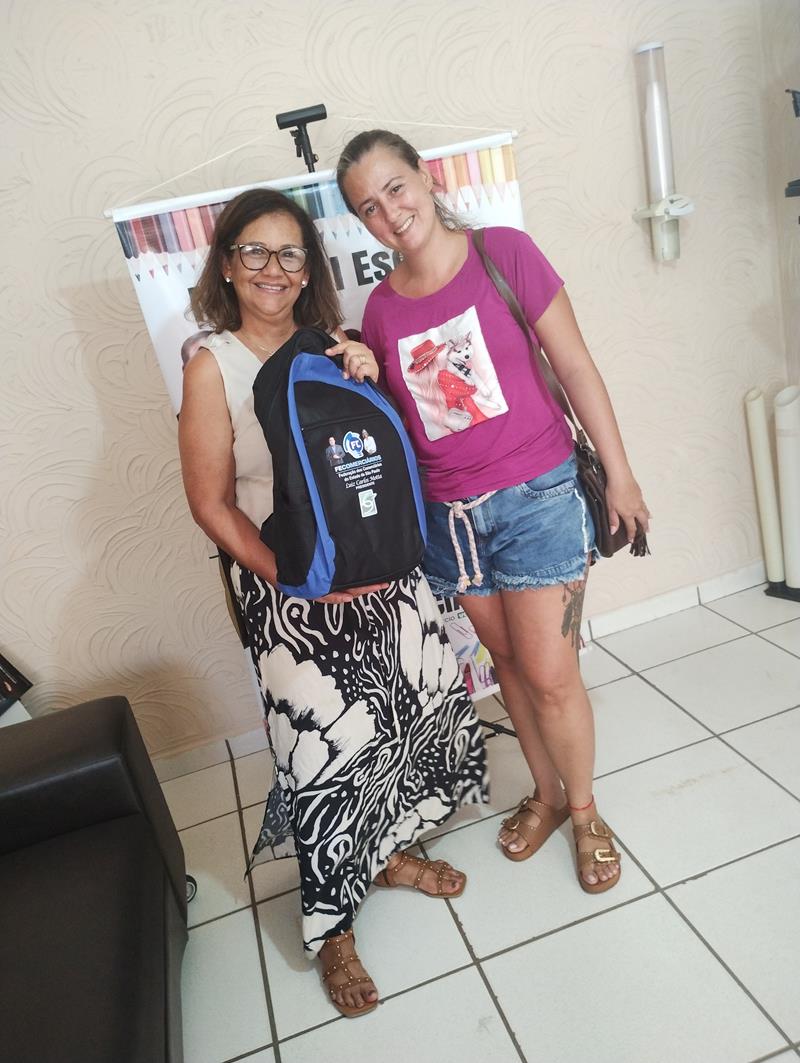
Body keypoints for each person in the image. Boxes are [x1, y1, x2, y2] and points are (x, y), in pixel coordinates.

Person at [178, 187, 487, 1018]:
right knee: (323, 756)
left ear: (309, 267)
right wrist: (293, 577)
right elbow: (211, 503)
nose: (273, 269)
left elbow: (378, 461)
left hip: (384, 578)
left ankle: (386, 855)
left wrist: (370, 380)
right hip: (294, 594)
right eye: (254, 251)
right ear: (227, 264)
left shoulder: (335, 344)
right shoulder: (214, 365)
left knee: (402, 724)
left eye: (291, 253)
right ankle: (332, 925)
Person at [337, 130, 651, 895]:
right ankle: (546, 792)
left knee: (551, 675)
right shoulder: (380, 309)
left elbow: (574, 365)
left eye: (395, 188)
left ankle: (585, 811)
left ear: (424, 176)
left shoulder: (503, 252)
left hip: (536, 500)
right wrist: (367, 378)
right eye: (368, 207)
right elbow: (407, 427)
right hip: (451, 522)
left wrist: (621, 476)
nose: (389, 213)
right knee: (506, 665)